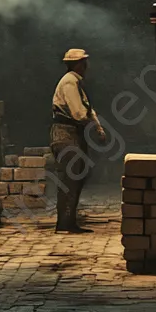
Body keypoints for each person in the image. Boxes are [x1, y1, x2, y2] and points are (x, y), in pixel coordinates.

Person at [50, 48, 106, 233]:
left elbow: (88, 110)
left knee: (76, 177)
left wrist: (98, 127)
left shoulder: (76, 82)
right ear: (78, 64)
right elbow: (79, 113)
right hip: (66, 134)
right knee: (70, 179)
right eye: (84, 63)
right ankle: (65, 224)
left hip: (73, 134)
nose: (86, 66)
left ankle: (68, 221)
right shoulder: (69, 83)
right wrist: (94, 125)